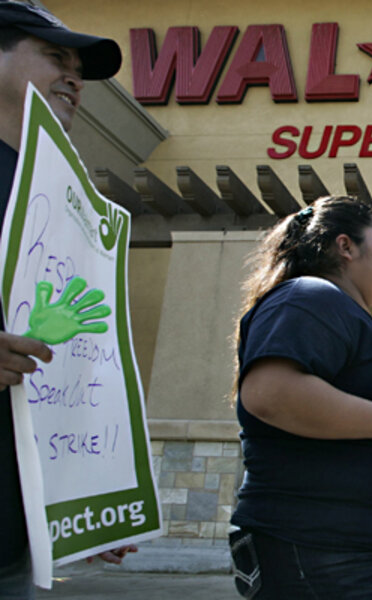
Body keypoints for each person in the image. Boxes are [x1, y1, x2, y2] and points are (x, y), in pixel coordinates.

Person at [229, 196, 372, 599]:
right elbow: (270, 393)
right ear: (346, 247)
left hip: (341, 558)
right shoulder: (308, 295)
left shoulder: (338, 308)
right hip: (314, 549)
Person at [0, 3, 134, 598]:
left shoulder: (57, 194)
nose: (74, 80)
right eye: (56, 58)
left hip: (15, 544)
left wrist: (86, 502)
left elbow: (70, 376)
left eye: (79, 71)